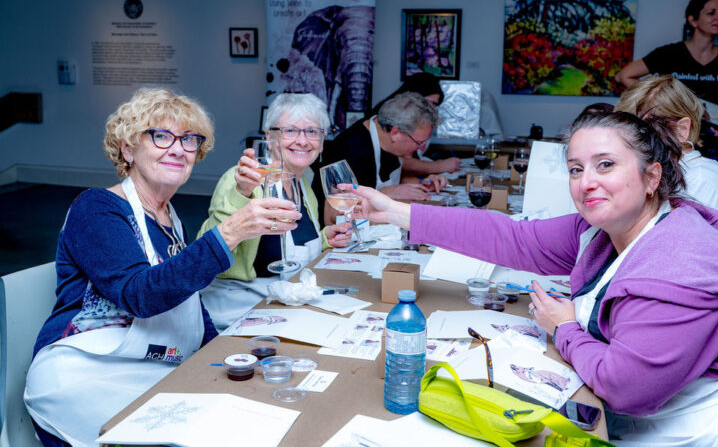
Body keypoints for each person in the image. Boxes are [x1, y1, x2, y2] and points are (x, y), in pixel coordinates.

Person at [349, 111, 718, 445]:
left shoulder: (679, 264)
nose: (587, 183)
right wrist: (395, 212)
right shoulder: (606, 228)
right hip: (641, 416)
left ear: (652, 177)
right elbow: (511, 238)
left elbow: (626, 389)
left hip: (705, 429)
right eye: (575, 169)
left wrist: (565, 328)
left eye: (605, 165)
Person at [24, 89, 301, 447]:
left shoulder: (170, 219)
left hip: (150, 362)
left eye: (188, 139)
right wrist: (229, 233)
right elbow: (140, 295)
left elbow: (189, 305)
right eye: (161, 136)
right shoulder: (97, 208)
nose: (178, 149)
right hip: (87, 375)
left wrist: (230, 359)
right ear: (128, 149)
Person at [197, 93, 352, 330]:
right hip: (240, 312)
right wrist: (241, 193)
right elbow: (207, 249)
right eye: (290, 131)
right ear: (269, 137)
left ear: (322, 142)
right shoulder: (244, 181)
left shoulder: (304, 182)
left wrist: (325, 238)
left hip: (287, 303)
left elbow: (293, 243)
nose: (303, 140)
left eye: (312, 132)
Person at [615, 0, 718, 163]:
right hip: (671, 139)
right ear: (693, 20)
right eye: (711, 13)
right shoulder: (669, 54)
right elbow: (624, 75)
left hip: (713, 139)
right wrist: (656, 99)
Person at [615, 74, 718, 226]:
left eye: (643, 130)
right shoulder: (661, 172)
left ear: (682, 130)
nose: (629, 141)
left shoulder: (699, 184)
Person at [318, 91, 442, 224]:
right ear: (395, 133)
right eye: (419, 143)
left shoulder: (387, 139)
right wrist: (386, 193)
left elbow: (391, 173)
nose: (421, 149)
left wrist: (421, 184)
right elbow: (336, 210)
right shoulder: (352, 151)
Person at [368, 73, 461, 175]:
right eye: (427, 103)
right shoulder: (387, 117)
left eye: (434, 105)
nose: (430, 109)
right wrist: (439, 166)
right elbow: (393, 160)